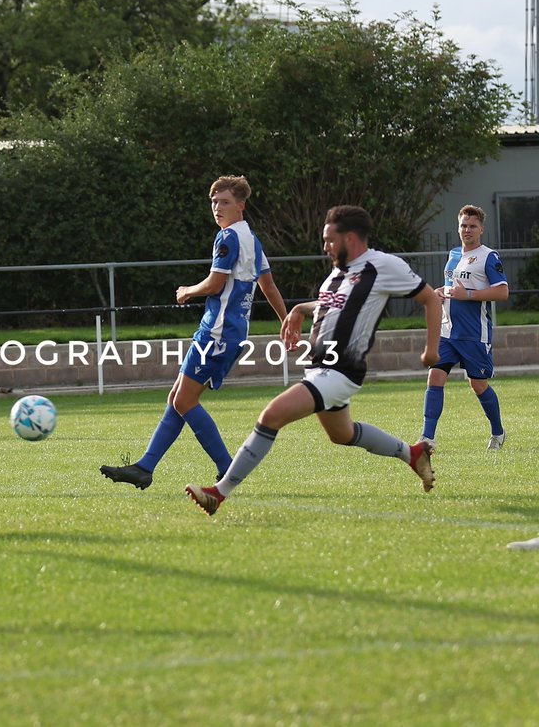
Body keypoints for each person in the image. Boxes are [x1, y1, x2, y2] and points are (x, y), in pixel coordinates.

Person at [186, 204, 443, 516]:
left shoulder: (382, 266)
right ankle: (412, 454)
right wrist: (299, 310)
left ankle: (219, 492)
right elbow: (331, 306)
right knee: (342, 434)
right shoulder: (339, 272)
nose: (325, 247)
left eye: (330, 240)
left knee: (271, 415)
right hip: (320, 367)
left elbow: (430, 298)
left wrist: (431, 349)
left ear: (350, 238)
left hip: (340, 369)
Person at [100, 175, 287, 491]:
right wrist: (286, 321)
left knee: (185, 401)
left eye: (224, 202)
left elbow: (215, 284)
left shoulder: (228, 237)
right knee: (177, 399)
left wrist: (188, 290)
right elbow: (267, 285)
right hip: (226, 332)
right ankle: (144, 468)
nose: (217, 207)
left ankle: (228, 470)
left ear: (241, 206)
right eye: (214, 202)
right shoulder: (252, 240)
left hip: (218, 334)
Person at [418, 205, 509, 450]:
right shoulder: (454, 254)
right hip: (447, 331)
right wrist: (441, 292)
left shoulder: (489, 256)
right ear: (458, 227)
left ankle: (498, 433)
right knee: (435, 377)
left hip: (474, 334)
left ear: (481, 229)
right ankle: (427, 439)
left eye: (472, 226)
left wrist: (468, 294)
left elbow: (503, 292)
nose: (467, 230)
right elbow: (453, 286)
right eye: (463, 225)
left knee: (477, 384)